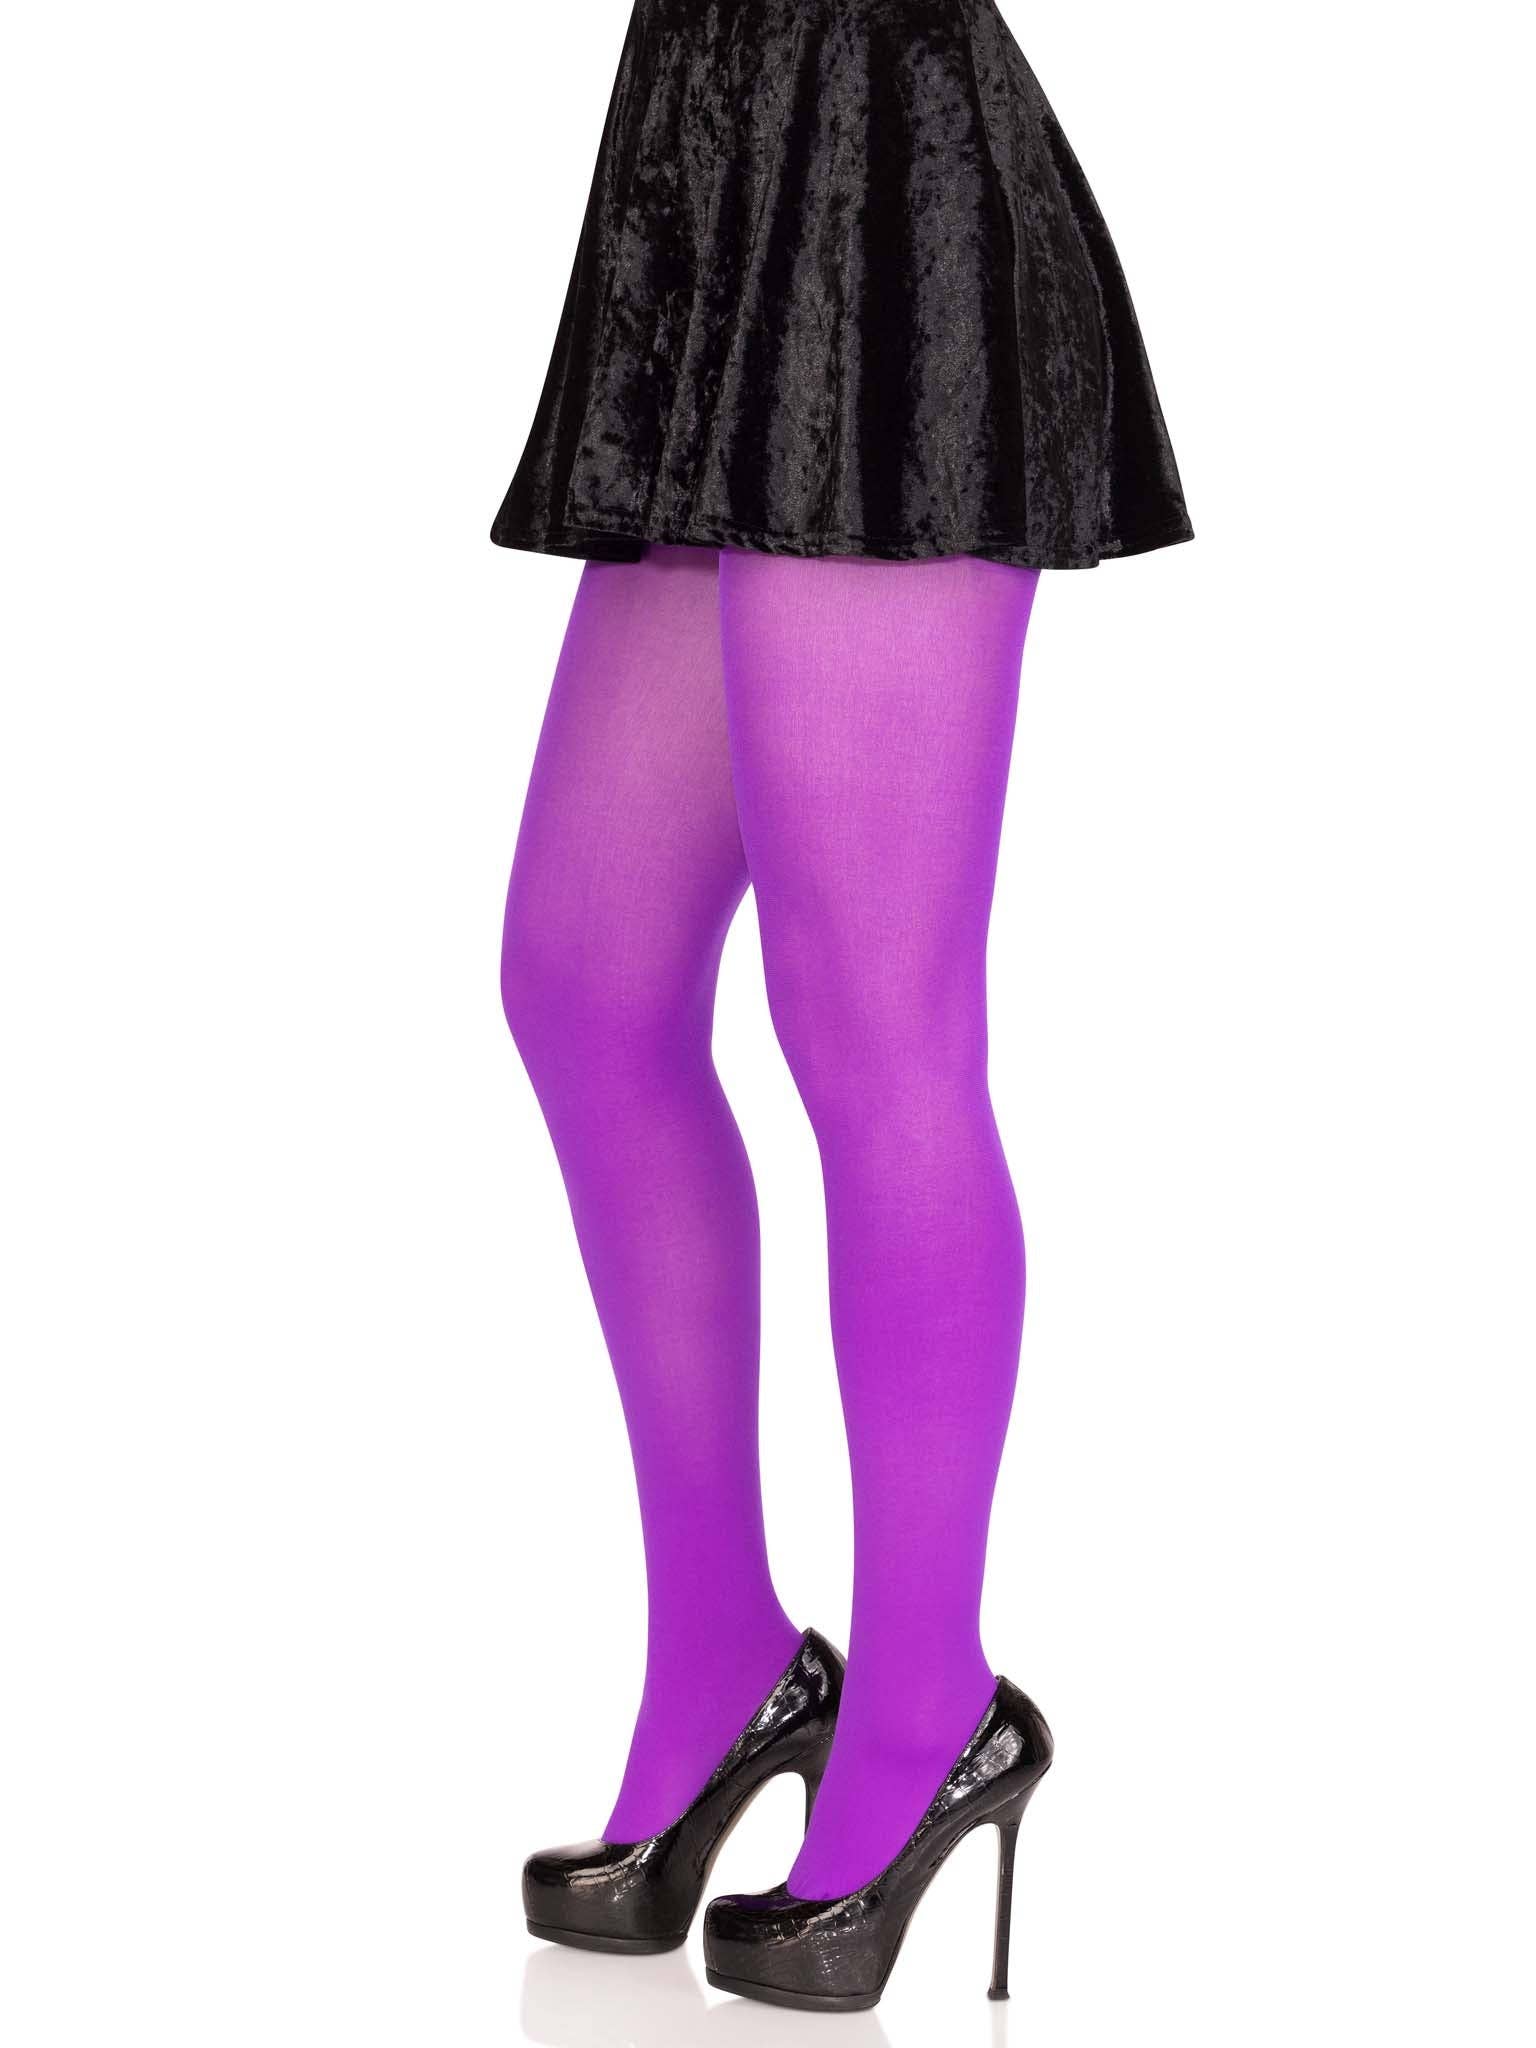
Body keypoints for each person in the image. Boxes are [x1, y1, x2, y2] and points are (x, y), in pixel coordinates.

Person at [490, 0, 1191, 2011]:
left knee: (877, 1026)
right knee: (585, 978)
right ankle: (723, 1660)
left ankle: (927, 1705)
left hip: (890, 204)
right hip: (713, 175)